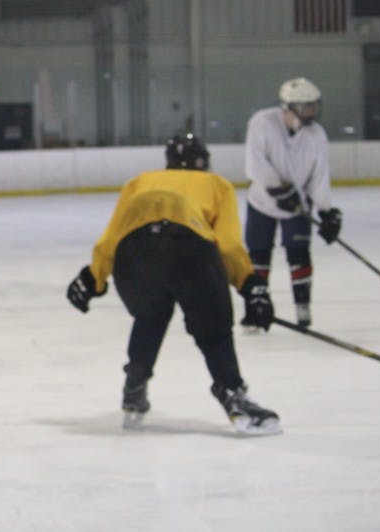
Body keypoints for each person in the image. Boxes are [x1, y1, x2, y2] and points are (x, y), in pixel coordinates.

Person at [65, 133, 281, 436]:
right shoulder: (216, 185)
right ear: (202, 161)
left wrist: (93, 277)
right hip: (189, 249)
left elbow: (111, 238)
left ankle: (134, 386)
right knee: (213, 329)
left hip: (134, 254)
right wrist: (250, 285)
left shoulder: (139, 182)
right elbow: (229, 246)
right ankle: (233, 394)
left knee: (150, 315)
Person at [244, 77, 342, 328]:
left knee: (299, 254)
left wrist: (326, 210)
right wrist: (278, 188)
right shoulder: (262, 122)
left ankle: (302, 307)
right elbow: (254, 163)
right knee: (259, 256)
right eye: (307, 106)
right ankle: (256, 308)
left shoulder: (316, 134)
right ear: (290, 106)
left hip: (297, 205)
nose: (312, 111)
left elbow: (320, 174)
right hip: (263, 201)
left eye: (314, 105)